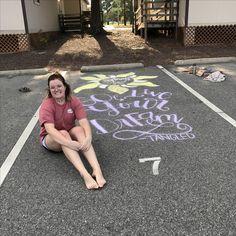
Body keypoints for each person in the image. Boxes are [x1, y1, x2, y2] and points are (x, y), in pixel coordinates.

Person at [39, 72, 106, 189]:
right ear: (49, 90)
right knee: (63, 133)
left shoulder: (74, 101)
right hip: (51, 139)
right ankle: (84, 174)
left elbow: (84, 122)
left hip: (68, 133)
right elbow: (50, 130)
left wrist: (88, 138)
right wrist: (69, 143)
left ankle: (97, 170)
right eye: (52, 87)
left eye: (59, 86)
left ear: (65, 86)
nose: (56, 89)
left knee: (79, 129)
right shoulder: (47, 104)